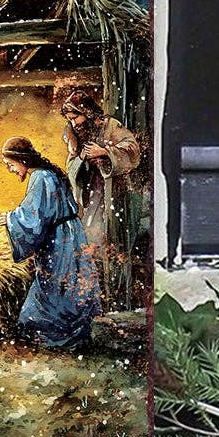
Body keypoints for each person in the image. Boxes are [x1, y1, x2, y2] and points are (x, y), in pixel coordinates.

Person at [0, 136, 100, 349]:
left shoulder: (40, 177)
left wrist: (9, 218)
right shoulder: (49, 174)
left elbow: (34, 217)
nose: (10, 169)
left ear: (22, 160)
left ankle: (55, 337)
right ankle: (73, 334)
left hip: (60, 240)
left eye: (10, 164)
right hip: (70, 234)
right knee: (70, 283)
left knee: (56, 286)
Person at [56, 82, 142, 302]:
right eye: (69, 120)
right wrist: (82, 158)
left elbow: (133, 150)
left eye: (75, 118)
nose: (73, 123)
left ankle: (117, 294)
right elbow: (71, 165)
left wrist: (104, 151)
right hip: (90, 194)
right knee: (90, 239)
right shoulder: (74, 134)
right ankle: (96, 293)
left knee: (114, 240)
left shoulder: (110, 125)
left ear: (86, 112)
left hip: (113, 193)